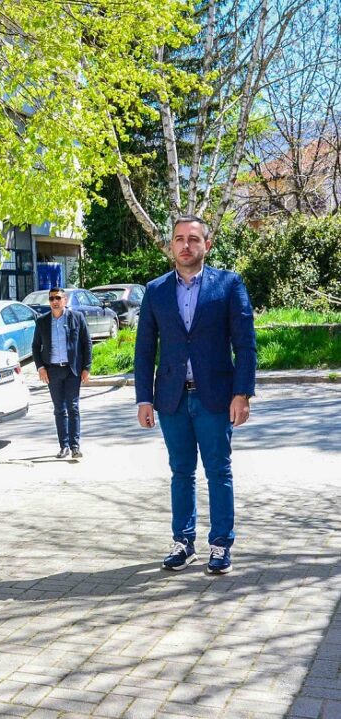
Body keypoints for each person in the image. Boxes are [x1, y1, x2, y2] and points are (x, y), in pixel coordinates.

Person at [135, 215, 256, 574]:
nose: (185, 245)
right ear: (171, 245)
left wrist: (242, 393)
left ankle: (220, 544)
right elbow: (144, 350)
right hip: (171, 399)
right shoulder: (155, 290)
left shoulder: (229, 285)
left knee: (218, 471)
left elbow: (245, 345)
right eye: (179, 239)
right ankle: (183, 542)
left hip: (215, 397)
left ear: (207, 244)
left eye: (193, 239)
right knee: (180, 472)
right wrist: (144, 398)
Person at [31, 287, 92, 459]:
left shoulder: (76, 317)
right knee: (59, 409)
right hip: (53, 371)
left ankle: (75, 447)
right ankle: (63, 446)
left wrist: (86, 368)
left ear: (65, 300)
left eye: (58, 298)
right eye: (51, 299)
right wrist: (40, 368)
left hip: (72, 370)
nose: (55, 301)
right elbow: (36, 346)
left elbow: (86, 343)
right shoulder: (42, 321)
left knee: (73, 407)